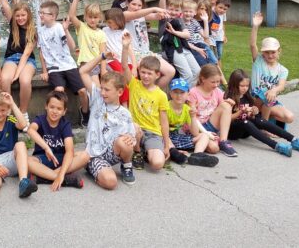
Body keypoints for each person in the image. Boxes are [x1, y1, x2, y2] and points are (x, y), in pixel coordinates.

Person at [78, 53, 138, 188]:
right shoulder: (97, 98)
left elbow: (131, 139)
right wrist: (102, 57)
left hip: (111, 153)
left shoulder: (125, 113)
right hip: (94, 154)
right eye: (102, 88)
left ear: (119, 92)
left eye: (107, 90)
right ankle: (93, 168)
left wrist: (130, 138)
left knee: (125, 141)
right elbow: (83, 72)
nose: (103, 92)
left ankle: (127, 166)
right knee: (111, 182)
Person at [225, 69, 299, 156]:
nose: (245, 88)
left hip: (246, 129)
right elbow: (226, 119)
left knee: (259, 120)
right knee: (245, 122)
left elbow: (251, 115)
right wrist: (241, 111)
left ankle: (294, 140)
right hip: (232, 132)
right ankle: (276, 146)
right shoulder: (228, 98)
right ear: (234, 85)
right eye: (242, 86)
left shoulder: (247, 96)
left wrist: (254, 111)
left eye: (247, 86)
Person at [0, 92, 37, 211]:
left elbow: (23, 124)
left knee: (20, 144)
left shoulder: (11, 120)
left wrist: (12, 103)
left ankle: (23, 182)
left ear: (8, 109)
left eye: (3, 110)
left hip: (11, 160)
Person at [119, 36, 169, 172]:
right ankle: (137, 152)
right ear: (139, 72)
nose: (145, 76)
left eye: (149, 73)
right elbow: (124, 67)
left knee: (158, 164)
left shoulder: (161, 95)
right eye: (143, 72)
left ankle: (147, 151)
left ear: (157, 75)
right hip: (135, 130)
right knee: (135, 128)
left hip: (153, 133)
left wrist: (166, 144)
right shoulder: (134, 84)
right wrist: (125, 47)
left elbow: (164, 121)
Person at [37, 0, 89, 126]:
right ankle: (59, 119)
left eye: (43, 13)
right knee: (59, 90)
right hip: (54, 67)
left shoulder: (59, 28)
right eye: (40, 12)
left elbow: (72, 47)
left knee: (82, 91)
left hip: (68, 65)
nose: (40, 15)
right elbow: (41, 52)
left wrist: (66, 30)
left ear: (53, 16)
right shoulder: (40, 31)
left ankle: (85, 113)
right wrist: (44, 71)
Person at [26, 90, 86, 190]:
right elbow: (30, 130)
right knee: (27, 161)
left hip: (61, 160)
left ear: (64, 111)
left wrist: (61, 173)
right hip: (43, 159)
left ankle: (45, 177)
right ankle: (64, 179)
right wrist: (46, 148)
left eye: (59, 109)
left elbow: (69, 151)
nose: (54, 111)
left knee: (84, 156)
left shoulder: (65, 124)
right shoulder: (40, 119)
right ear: (46, 106)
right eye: (52, 107)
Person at [0, 0, 38, 118]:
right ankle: (8, 110)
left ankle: (23, 112)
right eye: (18, 16)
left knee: (24, 81)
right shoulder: (13, 24)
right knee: (5, 79)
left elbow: (26, 55)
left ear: (28, 15)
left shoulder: (33, 32)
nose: (20, 18)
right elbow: (5, 4)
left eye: (23, 15)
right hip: (11, 58)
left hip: (27, 61)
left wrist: (18, 73)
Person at [122, 0, 176, 90]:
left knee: (170, 71)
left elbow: (159, 15)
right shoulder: (125, 15)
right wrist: (154, 8)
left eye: (139, 5)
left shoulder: (143, 16)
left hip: (146, 52)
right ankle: (143, 94)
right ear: (127, 3)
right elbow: (136, 14)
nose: (136, 7)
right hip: (133, 54)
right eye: (133, 4)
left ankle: (153, 93)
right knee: (148, 74)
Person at [250, 12, 296, 126]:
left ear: (279, 51)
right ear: (263, 53)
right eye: (267, 52)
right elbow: (252, 45)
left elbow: (281, 86)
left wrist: (273, 90)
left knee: (289, 117)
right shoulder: (259, 61)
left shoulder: (283, 70)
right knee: (264, 96)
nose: (270, 55)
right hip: (255, 99)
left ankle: (261, 117)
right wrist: (255, 26)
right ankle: (264, 126)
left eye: (273, 52)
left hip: (270, 100)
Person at [165, 78, 219, 167]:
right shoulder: (166, 107)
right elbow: (164, 131)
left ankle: (197, 155)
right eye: (175, 92)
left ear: (188, 94)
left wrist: (193, 117)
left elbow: (195, 133)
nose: (179, 95)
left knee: (204, 136)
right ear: (171, 93)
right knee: (163, 137)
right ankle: (174, 152)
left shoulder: (187, 109)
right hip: (166, 137)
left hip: (177, 137)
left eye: (182, 92)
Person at [68, 0, 106, 109]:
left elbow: (103, 54)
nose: (92, 20)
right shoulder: (82, 28)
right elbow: (72, 16)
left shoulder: (101, 33)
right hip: (84, 64)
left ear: (100, 18)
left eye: (95, 17)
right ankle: (88, 111)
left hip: (95, 66)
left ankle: (96, 111)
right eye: (90, 17)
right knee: (92, 91)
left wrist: (103, 71)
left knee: (97, 91)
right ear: (85, 17)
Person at [188, 64, 237, 157]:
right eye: (213, 82)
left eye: (218, 82)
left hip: (210, 124)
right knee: (214, 149)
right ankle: (201, 141)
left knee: (226, 105)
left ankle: (223, 141)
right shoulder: (193, 93)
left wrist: (230, 103)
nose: (216, 85)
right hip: (198, 128)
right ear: (203, 79)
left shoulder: (217, 91)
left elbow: (224, 109)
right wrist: (205, 133)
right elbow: (191, 117)